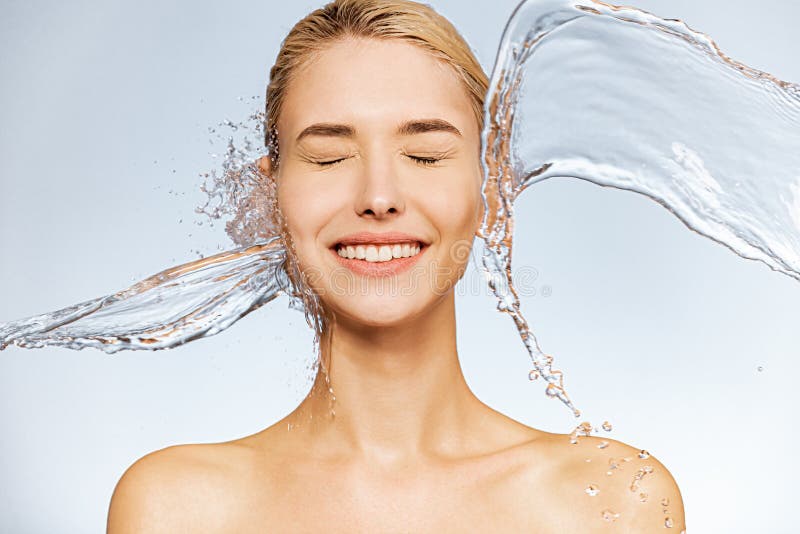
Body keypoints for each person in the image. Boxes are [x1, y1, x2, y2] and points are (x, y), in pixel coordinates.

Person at [107, 0, 685, 531]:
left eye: (425, 155)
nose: (379, 196)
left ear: (494, 190)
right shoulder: (176, 506)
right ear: (270, 198)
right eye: (329, 156)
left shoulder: (610, 502)